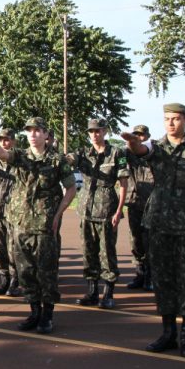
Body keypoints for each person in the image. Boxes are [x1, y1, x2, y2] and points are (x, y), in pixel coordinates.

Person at [121, 103, 185, 358]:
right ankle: (168, 333)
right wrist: (132, 142)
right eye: (167, 119)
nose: (171, 123)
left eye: (176, 119)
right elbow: (141, 150)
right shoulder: (158, 147)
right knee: (163, 279)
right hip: (159, 222)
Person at [0, 117, 76, 334]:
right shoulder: (21, 156)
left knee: (47, 272)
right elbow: (4, 154)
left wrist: (58, 214)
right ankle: (34, 312)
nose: (32, 135)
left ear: (45, 134)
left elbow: (70, 189)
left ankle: (47, 315)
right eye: (29, 131)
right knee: (25, 271)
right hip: (20, 223)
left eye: (37, 131)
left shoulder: (56, 160)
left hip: (44, 225)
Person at [68, 118, 128, 309]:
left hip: (107, 209)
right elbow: (71, 159)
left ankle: (108, 294)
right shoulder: (84, 153)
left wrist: (119, 210)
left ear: (104, 132)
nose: (94, 135)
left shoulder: (117, 153)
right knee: (88, 251)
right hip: (86, 208)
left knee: (107, 252)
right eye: (91, 132)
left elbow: (124, 183)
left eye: (98, 131)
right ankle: (92, 292)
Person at [0, 129, 20, 296]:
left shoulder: (20, 159)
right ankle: (4, 279)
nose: (4, 143)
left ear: (13, 141)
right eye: (1, 140)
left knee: (13, 247)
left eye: (7, 140)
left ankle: (15, 280)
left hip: (14, 210)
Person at [123, 125, 154, 290]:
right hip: (135, 202)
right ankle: (140, 274)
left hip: (152, 204)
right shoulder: (129, 153)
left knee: (150, 241)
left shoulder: (154, 153)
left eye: (141, 135)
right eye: (136, 135)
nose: (138, 138)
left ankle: (151, 276)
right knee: (135, 240)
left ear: (147, 136)